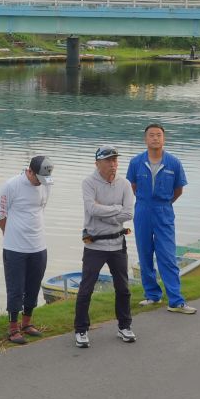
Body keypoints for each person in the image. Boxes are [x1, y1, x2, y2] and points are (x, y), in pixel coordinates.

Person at [128, 123, 196, 314]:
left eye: (159, 135)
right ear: (145, 139)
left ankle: (176, 301)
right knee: (145, 254)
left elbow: (178, 190)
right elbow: (133, 187)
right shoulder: (136, 162)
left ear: (164, 139)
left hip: (164, 211)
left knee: (167, 256)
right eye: (151, 135)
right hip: (142, 210)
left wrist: (164, 204)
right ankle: (152, 295)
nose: (155, 138)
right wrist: (146, 203)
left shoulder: (173, 163)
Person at [75, 146, 137, 348]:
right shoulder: (88, 183)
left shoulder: (124, 184)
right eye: (109, 160)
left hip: (118, 243)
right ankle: (81, 329)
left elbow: (129, 214)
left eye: (115, 160)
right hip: (95, 244)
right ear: (97, 164)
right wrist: (116, 210)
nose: (113, 164)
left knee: (123, 288)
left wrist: (107, 214)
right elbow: (91, 209)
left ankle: (124, 326)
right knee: (86, 289)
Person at [0, 154, 53, 344]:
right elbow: (0, 214)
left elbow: (41, 208)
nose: (40, 183)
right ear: (29, 171)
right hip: (14, 247)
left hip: (38, 245)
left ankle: (27, 323)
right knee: (15, 288)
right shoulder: (11, 185)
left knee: (33, 285)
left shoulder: (46, 184)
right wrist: (10, 234)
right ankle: (13, 328)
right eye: (38, 178)